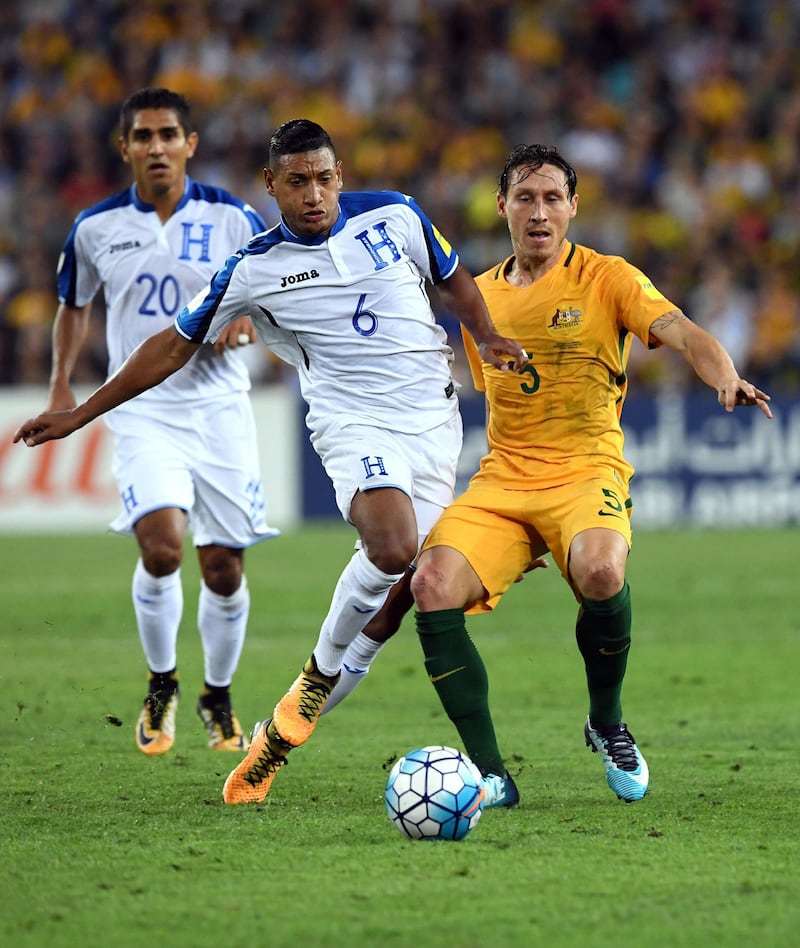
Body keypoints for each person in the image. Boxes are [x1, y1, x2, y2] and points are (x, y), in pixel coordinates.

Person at [14, 119, 528, 805]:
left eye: (323, 178)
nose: (313, 194)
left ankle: (276, 739)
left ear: (339, 174)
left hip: (434, 423)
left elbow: (456, 281)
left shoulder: (396, 215)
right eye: (297, 182)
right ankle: (315, 676)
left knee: (390, 609)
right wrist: (81, 411)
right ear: (272, 186)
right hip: (353, 421)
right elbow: (171, 346)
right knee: (392, 544)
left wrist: (487, 335)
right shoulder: (254, 267)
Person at [405, 143, 772, 805]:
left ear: (574, 206)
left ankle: (606, 722)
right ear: (501, 207)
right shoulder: (478, 299)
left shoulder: (609, 278)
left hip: (585, 472)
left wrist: (725, 376)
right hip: (504, 482)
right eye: (526, 197)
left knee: (603, 571)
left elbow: (684, 330)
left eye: (552, 198)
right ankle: (491, 773)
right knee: (429, 584)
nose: (539, 211)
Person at [40, 87, 278, 758]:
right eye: (142, 136)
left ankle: (218, 695)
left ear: (189, 144)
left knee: (224, 565)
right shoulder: (94, 227)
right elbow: (73, 305)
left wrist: (246, 318)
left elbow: (275, 286)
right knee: (162, 547)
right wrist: (61, 380)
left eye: (168, 134)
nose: (156, 147)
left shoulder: (234, 217)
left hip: (221, 407)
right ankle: (163, 681)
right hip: (143, 409)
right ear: (126, 149)